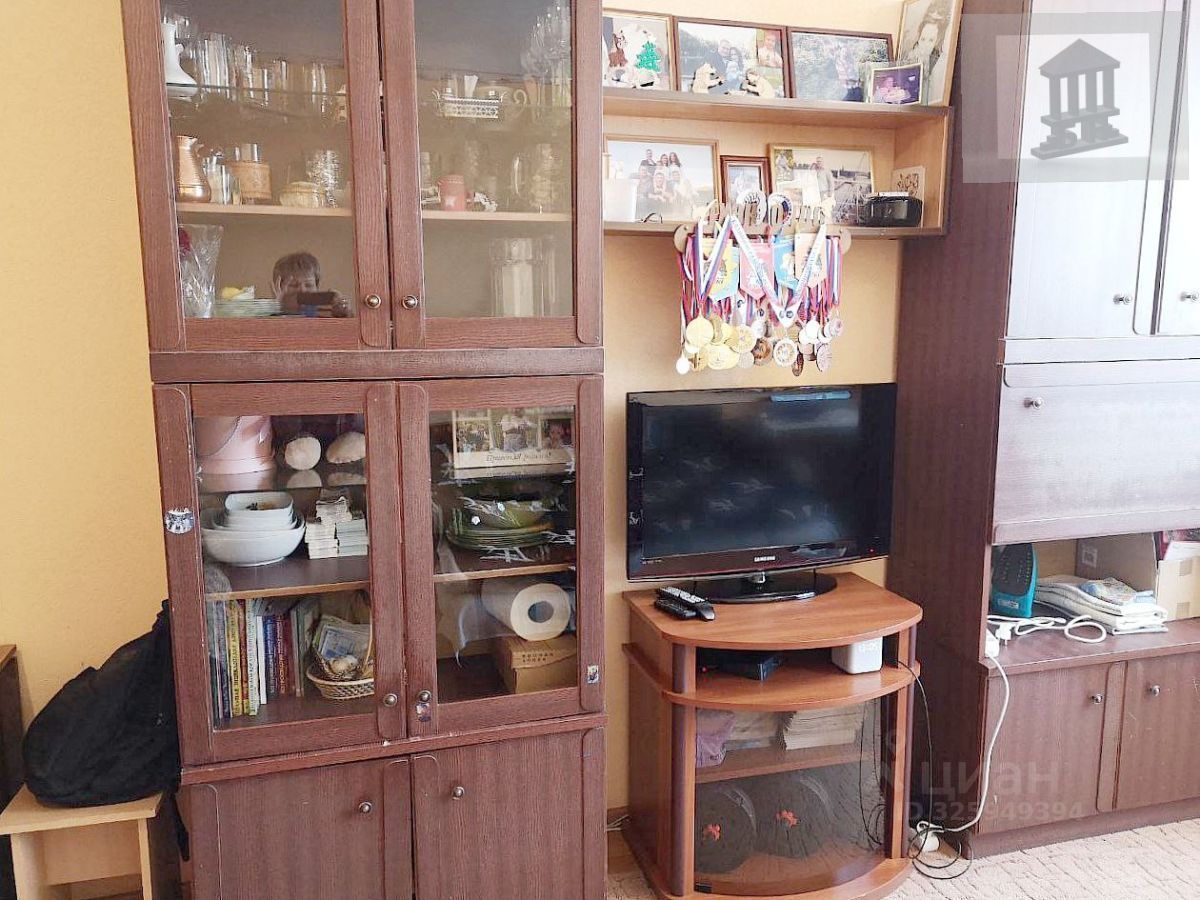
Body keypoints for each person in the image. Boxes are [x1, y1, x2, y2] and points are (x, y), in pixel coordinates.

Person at [272, 251, 352, 317]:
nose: (302, 290)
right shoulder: (271, 314)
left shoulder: (327, 313)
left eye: (308, 285)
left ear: (316, 287)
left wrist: (345, 314)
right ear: (279, 287)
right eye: (294, 285)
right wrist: (278, 308)